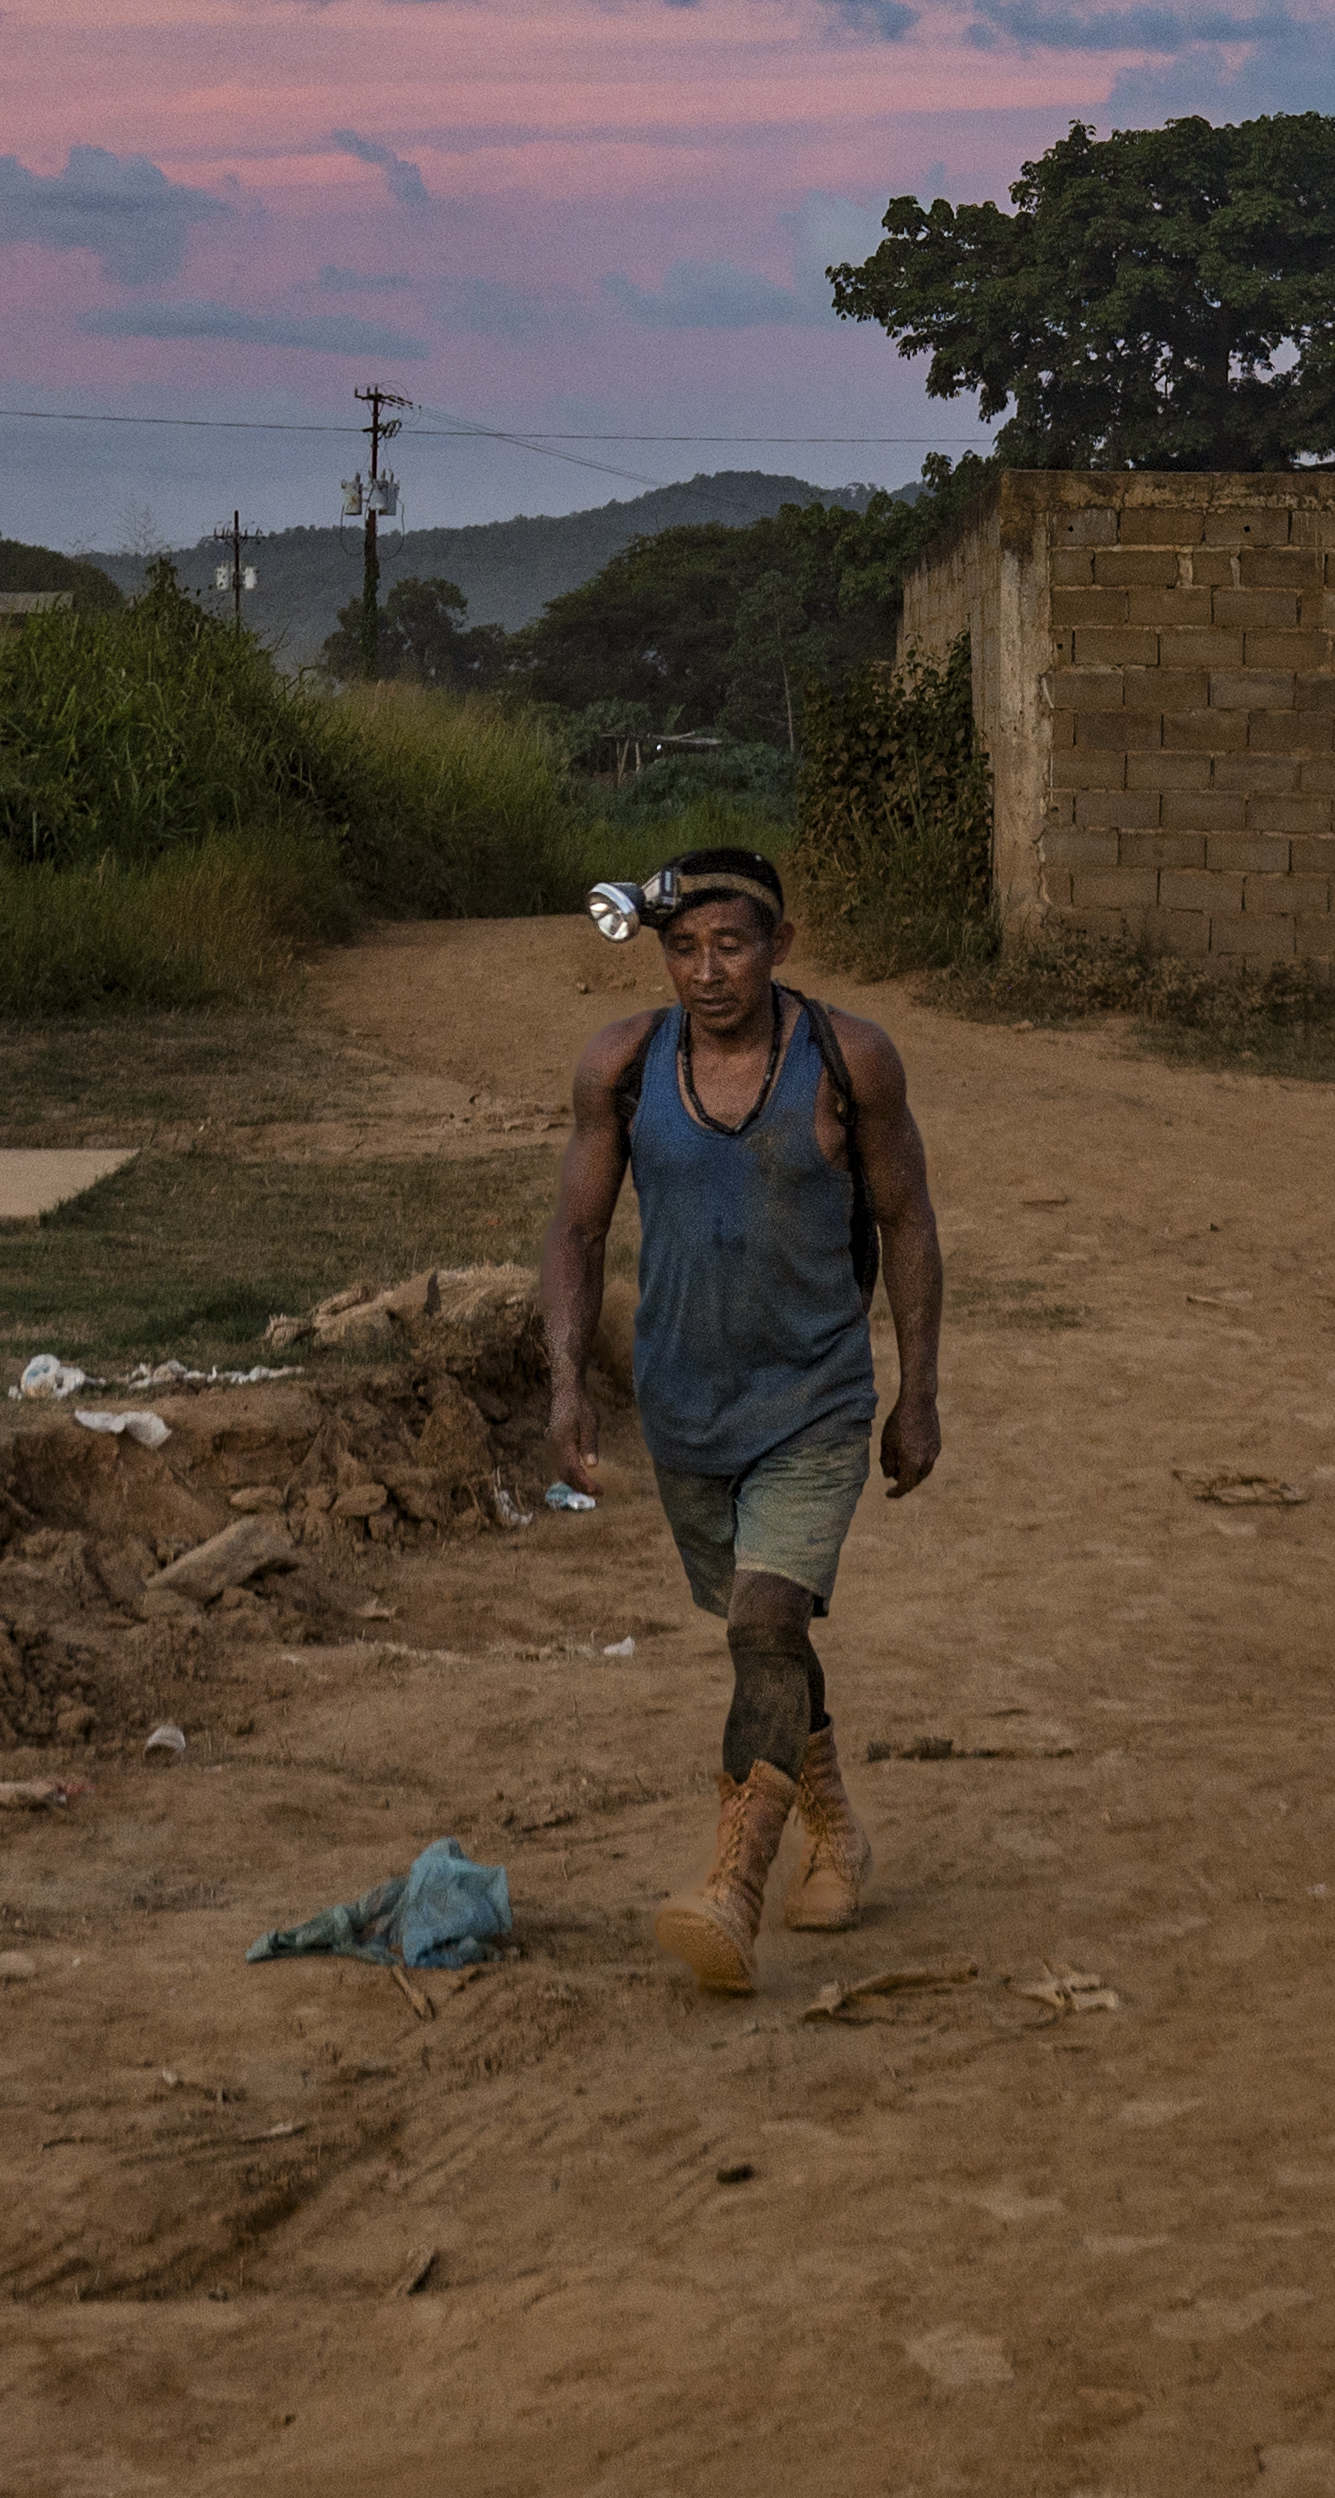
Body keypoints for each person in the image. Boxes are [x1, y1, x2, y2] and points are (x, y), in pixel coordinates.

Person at [541, 846, 946, 1994]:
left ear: (780, 945)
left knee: (766, 1624)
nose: (708, 971)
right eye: (684, 947)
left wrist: (918, 1391)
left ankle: (733, 1883)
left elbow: (907, 1219)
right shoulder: (622, 1065)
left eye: (732, 944)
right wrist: (568, 1381)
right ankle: (839, 1834)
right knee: (763, 1637)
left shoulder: (848, 1059)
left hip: (814, 1400)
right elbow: (575, 1233)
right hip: (683, 1407)